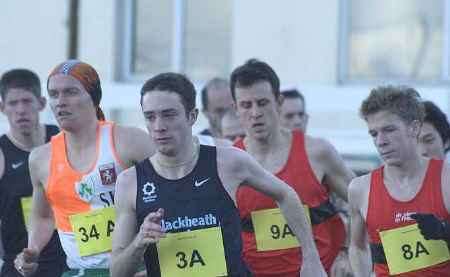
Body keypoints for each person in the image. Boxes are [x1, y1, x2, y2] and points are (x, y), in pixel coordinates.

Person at [110, 72, 326, 277]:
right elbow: (117, 272)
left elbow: (286, 194)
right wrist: (139, 242)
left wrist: (310, 256)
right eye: (150, 117)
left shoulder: (228, 161)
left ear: (192, 116)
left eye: (169, 115)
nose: (159, 126)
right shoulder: (130, 182)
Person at [14, 60, 154, 277]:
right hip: (79, 272)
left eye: (70, 92)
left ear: (93, 97)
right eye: (54, 94)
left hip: (136, 269)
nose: (60, 102)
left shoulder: (130, 141)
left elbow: (171, 190)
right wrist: (32, 249)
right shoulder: (40, 158)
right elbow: (42, 216)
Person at [229, 59, 354, 277]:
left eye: (263, 102)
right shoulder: (229, 163)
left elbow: (366, 204)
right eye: (246, 105)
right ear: (235, 109)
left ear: (278, 102)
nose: (255, 112)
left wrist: (347, 252)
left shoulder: (317, 151)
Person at [349, 86, 450, 277]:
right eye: (374, 134)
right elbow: (358, 247)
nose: (381, 141)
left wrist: (445, 231)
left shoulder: (446, 179)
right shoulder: (360, 189)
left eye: (389, 130)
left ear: (414, 127)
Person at [0, 69, 67, 276]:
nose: (21, 110)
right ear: (2, 107)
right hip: (22, 266)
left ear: (41, 103)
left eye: (27, 101)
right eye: (13, 103)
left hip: (69, 263)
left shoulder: (65, 141)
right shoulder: (2, 153)